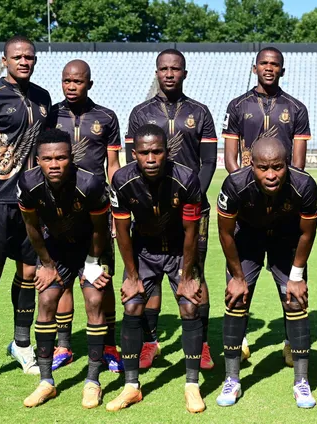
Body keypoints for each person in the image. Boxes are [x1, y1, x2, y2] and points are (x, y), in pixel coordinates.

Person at [125, 49, 217, 370]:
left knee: (194, 273)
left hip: (193, 208)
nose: (169, 74)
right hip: (150, 208)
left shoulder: (200, 112)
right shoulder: (140, 113)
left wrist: (192, 198)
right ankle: (150, 342)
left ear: (184, 73)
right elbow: (133, 162)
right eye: (163, 68)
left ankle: (201, 344)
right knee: (149, 272)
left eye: (175, 69)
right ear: (157, 72)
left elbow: (208, 162)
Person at [106, 124, 206, 413]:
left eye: (157, 152)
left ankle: (192, 386)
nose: (151, 159)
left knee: (189, 306)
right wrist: (132, 276)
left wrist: (188, 276)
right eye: (144, 152)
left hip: (178, 250)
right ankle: (131, 386)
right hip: (144, 251)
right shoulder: (122, 180)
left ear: (167, 152)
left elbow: (191, 232)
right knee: (132, 305)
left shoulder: (187, 179)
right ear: (133, 153)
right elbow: (122, 230)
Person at [0, 35, 51, 386]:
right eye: (17, 57)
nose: (24, 61)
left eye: (29, 57)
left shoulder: (44, 98)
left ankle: (21, 344)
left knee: (29, 272)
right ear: (5, 60)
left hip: (32, 203)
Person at [221, 46, 311, 364]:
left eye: (275, 64)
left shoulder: (296, 108)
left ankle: (290, 341)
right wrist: (246, 192)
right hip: (248, 211)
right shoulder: (237, 106)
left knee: (292, 284)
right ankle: (241, 339)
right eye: (264, 63)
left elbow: (298, 164)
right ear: (254, 67)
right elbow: (230, 158)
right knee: (240, 280)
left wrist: (281, 194)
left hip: (285, 214)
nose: (269, 68)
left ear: (282, 70)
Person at [216, 137, 317, 408]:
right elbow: (225, 233)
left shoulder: (304, 185)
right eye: (263, 168)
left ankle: (301, 382)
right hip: (247, 239)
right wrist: (237, 278)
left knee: (296, 300)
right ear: (251, 164)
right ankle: (232, 380)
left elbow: (307, 233)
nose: (271, 175)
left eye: (278, 167)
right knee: (236, 300)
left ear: (288, 164)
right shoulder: (235, 184)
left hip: (287, 240)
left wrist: (296, 277)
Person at [18, 129, 111, 408]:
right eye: (47, 159)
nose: (54, 164)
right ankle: (46, 382)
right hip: (55, 247)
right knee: (46, 298)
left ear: (71, 158)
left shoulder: (90, 183)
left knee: (94, 299)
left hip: (91, 246)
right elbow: (32, 226)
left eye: (61, 158)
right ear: (37, 161)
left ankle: (92, 382)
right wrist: (46, 264)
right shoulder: (28, 183)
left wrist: (93, 263)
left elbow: (100, 229)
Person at [46, 59, 123, 373]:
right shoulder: (51, 115)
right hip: (58, 210)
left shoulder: (106, 117)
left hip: (96, 211)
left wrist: (117, 209)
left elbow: (113, 166)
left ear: (89, 83)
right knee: (62, 280)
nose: (71, 86)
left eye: (77, 81)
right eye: (66, 81)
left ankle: (109, 346)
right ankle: (64, 346)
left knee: (101, 281)